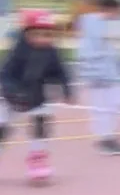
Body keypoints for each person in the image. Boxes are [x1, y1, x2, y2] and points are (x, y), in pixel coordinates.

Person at [0, 9, 74, 182]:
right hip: (12, 96)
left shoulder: (52, 52)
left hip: (37, 94)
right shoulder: (17, 53)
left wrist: (67, 90)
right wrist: (12, 91)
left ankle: (37, 157)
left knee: (42, 120)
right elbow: (5, 75)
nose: (43, 38)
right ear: (26, 34)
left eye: (47, 34)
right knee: (3, 129)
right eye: (37, 34)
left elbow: (61, 72)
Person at [76, 0, 120, 155]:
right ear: (111, 8)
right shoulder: (93, 23)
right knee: (103, 106)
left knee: (118, 103)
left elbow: (117, 47)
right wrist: (94, 71)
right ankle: (105, 139)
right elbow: (89, 51)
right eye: (118, 9)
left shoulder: (110, 23)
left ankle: (109, 136)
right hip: (99, 72)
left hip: (112, 72)